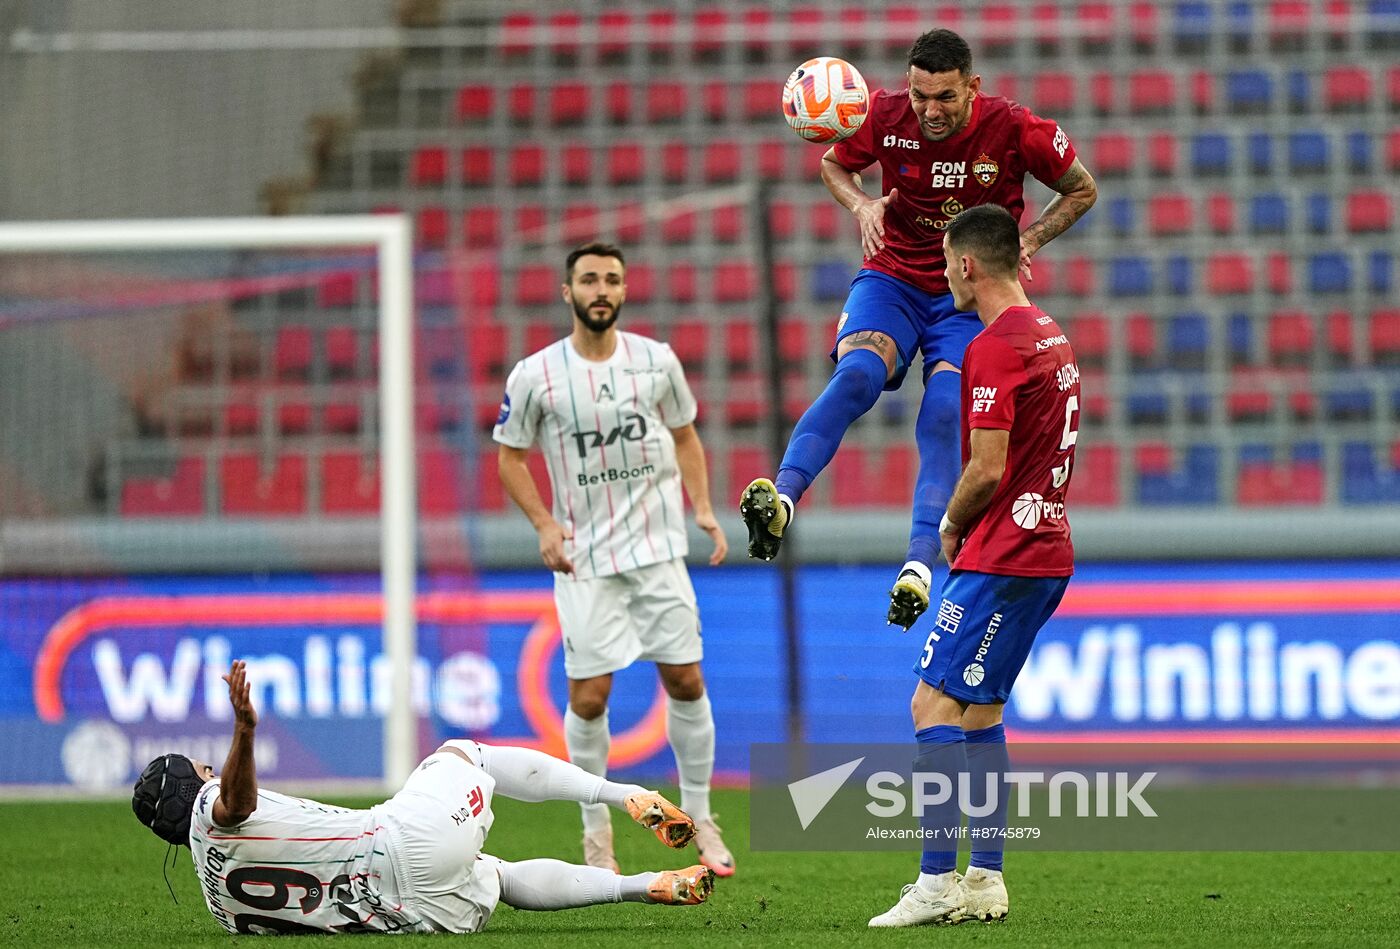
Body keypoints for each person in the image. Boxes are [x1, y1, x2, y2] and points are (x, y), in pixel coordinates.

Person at [739, 28, 1096, 631]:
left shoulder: (1015, 128)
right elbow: (832, 162)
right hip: (894, 280)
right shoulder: (880, 114)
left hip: (966, 293)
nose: (929, 111)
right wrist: (861, 205)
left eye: (945, 98)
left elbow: (1081, 188)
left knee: (941, 414)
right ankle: (781, 500)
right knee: (857, 375)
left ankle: (917, 567)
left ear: (972, 87)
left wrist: (1027, 240)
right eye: (920, 95)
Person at [132, 660, 716, 936]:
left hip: (404, 913)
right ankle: (625, 794)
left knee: (502, 877)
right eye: (201, 769)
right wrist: (245, 730)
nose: (211, 771)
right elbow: (230, 807)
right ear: (195, 788)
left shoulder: (222, 910)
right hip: (401, 841)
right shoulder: (214, 808)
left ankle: (649, 886)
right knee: (467, 753)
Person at [867, 205, 1079, 927]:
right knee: (982, 710)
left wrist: (951, 524)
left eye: (947, 262)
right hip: (1047, 549)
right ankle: (985, 878)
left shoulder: (994, 346)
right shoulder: (1053, 333)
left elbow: (986, 468)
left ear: (966, 265)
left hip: (1002, 556)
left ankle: (935, 883)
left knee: (931, 706)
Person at [494, 241, 735, 877]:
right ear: (567, 292)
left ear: (624, 292)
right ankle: (596, 829)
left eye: (611, 280)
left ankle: (701, 816)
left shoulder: (657, 362)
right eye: (589, 280)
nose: (601, 289)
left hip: (657, 550)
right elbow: (510, 457)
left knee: (685, 680)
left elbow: (685, 435)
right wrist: (544, 524)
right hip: (586, 558)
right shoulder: (535, 375)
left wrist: (704, 507)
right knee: (592, 697)